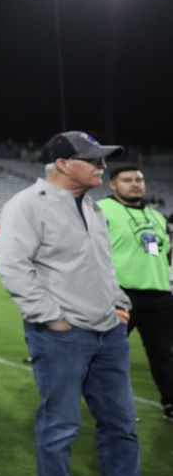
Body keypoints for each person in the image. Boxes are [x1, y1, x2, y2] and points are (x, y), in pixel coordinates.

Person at [0, 131, 173, 476]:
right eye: (92, 159)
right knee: (60, 425)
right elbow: (13, 267)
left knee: (122, 425)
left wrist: (119, 304)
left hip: (109, 333)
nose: (102, 166)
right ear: (62, 163)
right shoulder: (27, 205)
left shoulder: (92, 207)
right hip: (62, 335)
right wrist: (51, 317)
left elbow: (103, 265)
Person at [97, 164, 173, 422]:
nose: (135, 184)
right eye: (127, 180)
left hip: (160, 294)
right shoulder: (101, 210)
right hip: (120, 294)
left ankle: (171, 402)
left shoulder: (157, 216)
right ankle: (112, 408)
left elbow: (163, 253)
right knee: (110, 355)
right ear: (113, 184)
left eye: (139, 179)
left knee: (163, 354)